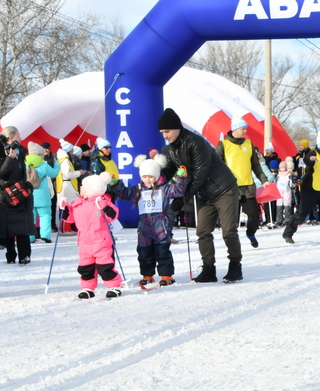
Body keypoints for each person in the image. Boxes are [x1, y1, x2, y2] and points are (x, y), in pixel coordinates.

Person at [157, 107, 243, 283]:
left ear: (177, 128)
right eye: (162, 133)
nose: (164, 135)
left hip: (223, 188)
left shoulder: (196, 142)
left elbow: (200, 175)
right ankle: (209, 269)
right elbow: (169, 172)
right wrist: (153, 172)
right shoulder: (168, 150)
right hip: (204, 194)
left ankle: (235, 266)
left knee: (228, 231)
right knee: (202, 231)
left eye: (167, 131)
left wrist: (183, 198)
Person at [113, 154, 186, 289]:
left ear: (157, 175)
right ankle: (147, 275)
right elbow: (126, 194)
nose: (147, 180)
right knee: (144, 251)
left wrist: (181, 177)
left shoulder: (165, 188)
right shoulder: (138, 189)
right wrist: (116, 184)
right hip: (144, 226)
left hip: (161, 225)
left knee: (162, 250)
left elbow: (178, 190)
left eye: (150, 176)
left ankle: (166, 275)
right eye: (144, 176)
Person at [59, 172, 123, 299]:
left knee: (105, 266)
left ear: (91, 189)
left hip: (101, 242)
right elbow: (70, 218)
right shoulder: (78, 203)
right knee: (85, 268)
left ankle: (114, 286)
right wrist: (64, 209)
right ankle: (88, 288)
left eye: (83, 186)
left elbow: (113, 215)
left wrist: (104, 207)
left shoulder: (102, 201)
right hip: (84, 243)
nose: (80, 188)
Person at [215, 117, 268, 248]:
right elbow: (216, 166)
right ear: (235, 129)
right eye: (243, 129)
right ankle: (233, 243)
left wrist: (264, 180)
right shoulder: (223, 145)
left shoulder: (249, 144)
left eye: (246, 129)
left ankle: (251, 233)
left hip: (248, 186)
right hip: (230, 187)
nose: (245, 131)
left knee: (254, 215)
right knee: (231, 218)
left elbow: (256, 165)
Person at [282, 131, 320, 244]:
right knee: (301, 213)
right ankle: (288, 233)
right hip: (311, 189)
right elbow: (307, 161)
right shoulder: (313, 153)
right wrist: (310, 160)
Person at [0, 126, 35, 265]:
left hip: (20, 193)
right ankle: (10, 255)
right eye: (18, 135)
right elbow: (0, 173)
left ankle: (24, 255)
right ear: (11, 137)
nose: (20, 138)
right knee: (8, 227)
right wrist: (9, 158)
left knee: (23, 227)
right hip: (6, 195)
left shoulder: (20, 152)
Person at [25, 141, 60, 243]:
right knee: (45, 215)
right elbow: (54, 174)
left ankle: (30, 237)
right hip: (43, 195)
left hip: (29, 194)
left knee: (30, 216)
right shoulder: (43, 165)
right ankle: (45, 235)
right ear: (39, 154)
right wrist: (57, 164)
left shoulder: (25, 164)